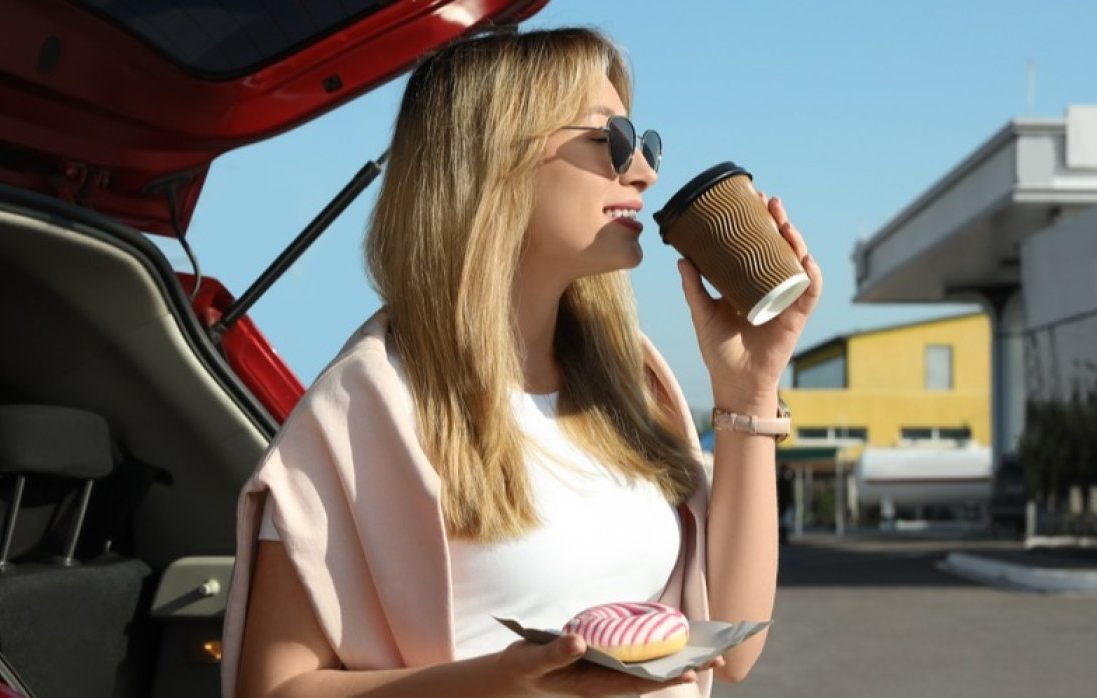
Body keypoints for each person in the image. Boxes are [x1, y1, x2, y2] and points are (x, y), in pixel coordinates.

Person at [223, 27, 821, 698]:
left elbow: (732, 650)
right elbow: (271, 689)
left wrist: (750, 389)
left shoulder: (632, 386)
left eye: (645, 144)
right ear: (491, 157)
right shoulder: (368, 407)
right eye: (612, 139)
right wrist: (506, 683)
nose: (644, 172)